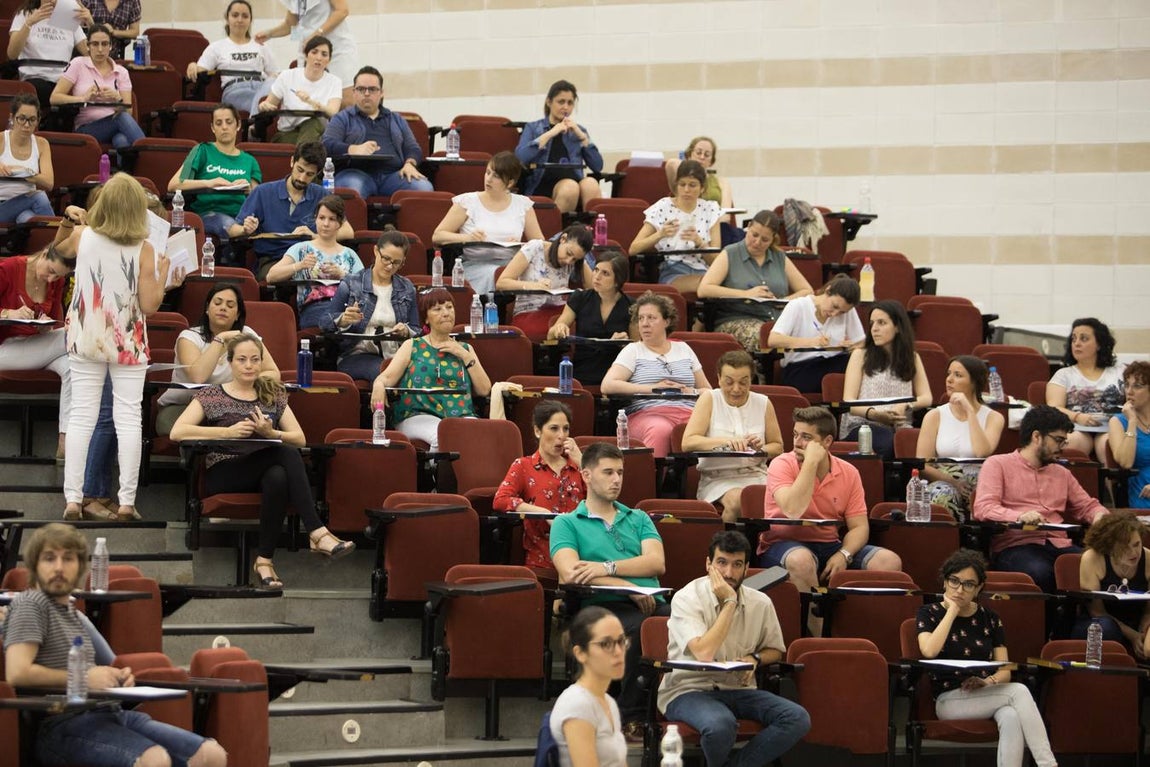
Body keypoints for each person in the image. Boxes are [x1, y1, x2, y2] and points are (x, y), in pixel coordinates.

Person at [3, 523, 229, 767]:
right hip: (62, 723)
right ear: (35, 566)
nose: (59, 567)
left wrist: (117, 676)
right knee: (154, 760)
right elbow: (17, 673)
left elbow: (98, 667)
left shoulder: (71, 612)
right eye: (49, 558)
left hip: (109, 714)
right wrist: (85, 678)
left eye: (68, 559)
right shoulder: (30, 605)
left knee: (211, 754)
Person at [170, 334, 354, 588]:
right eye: (242, 360)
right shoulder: (212, 394)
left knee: (278, 474)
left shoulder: (272, 395)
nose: (249, 365)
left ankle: (264, 560)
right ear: (230, 362)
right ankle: (317, 532)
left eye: (255, 360)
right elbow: (177, 432)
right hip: (225, 471)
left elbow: (299, 437)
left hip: (263, 469)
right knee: (286, 454)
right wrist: (227, 432)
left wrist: (271, 433)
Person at [58, 173, 165, 523]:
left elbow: (58, 252)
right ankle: (126, 502)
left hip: (87, 336)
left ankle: (73, 500)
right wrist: (163, 277)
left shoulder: (82, 235)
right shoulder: (145, 249)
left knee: (81, 416)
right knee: (128, 419)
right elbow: (149, 305)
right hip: (127, 340)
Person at [659, 531, 810, 767]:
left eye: (737, 565)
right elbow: (704, 653)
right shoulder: (686, 598)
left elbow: (775, 650)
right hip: (688, 690)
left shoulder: (760, 602)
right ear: (708, 564)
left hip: (738, 688)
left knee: (797, 718)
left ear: (747, 567)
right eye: (721, 563)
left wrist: (755, 658)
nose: (729, 573)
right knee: (721, 725)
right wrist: (729, 602)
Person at [550, 442, 670, 735]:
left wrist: (606, 568)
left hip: (653, 603)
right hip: (598, 607)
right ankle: (632, 717)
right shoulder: (566, 523)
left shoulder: (638, 517)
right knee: (645, 629)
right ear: (587, 475)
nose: (616, 479)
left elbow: (656, 563)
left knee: (683, 622)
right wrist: (627, 587)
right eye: (608, 472)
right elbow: (570, 572)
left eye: (620, 472)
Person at [758, 406, 902, 634]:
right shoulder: (781, 464)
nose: (797, 442)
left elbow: (859, 527)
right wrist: (811, 464)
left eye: (806, 437)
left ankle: (866, 634)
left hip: (830, 546)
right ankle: (816, 640)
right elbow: (793, 509)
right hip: (781, 544)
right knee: (802, 561)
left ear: (826, 442)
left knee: (888, 561)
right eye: (795, 434)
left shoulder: (849, 472)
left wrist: (844, 555)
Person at [916, 549, 1058, 767]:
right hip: (948, 699)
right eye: (954, 581)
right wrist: (952, 610)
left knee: (1010, 715)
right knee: (1019, 691)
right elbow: (929, 651)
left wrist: (987, 681)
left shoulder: (990, 618)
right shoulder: (929, 613)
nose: (960, 589)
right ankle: (1048, 764)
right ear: (945, 582)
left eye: (969, 584)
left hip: (985, 692)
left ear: (979, 588)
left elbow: (1005, 670)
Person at [972, 405, 1108, 594]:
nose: (1062, 447)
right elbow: (983, 508)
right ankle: (1052, 623)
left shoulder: (1062, 473)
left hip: (1059, 544)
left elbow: (1087, 506)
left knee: (1099, 566)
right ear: (1037, 437)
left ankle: (1092, 621)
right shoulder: (997, 464)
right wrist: (1019, 516)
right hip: (1017, 545)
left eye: (1064, 441)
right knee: (1041, 572)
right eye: (1058, 440)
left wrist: (1100, 516)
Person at [368, 287, 492, 451]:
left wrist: (465, 356)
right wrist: (378, 386)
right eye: (437, 309)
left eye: (449, 307)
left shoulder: (465, 349)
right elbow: (386, 378)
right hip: (417, 415)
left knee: (483, 436)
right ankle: (438, 476)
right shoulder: (412, 345)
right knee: (442, 436)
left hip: (460, 415)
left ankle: (474, 477)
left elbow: (484, 389)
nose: (446, 313)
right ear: (426, 319)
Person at [155, 282, 280, 435]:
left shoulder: (247, 335)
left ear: (238, 314)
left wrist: (241, 388)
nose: (223, 308)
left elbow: (273, 373)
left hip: (231, 405)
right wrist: (220, 338)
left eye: (230, 305)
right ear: (207, 308)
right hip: (185, 405)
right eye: (218, 303)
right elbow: (198, 377)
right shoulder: (189, 337)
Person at [599, 291, 709, 458]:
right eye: (641, 318)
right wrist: (653, 388)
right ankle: (653, 481)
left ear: (667, 321)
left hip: (689, 412)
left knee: (710, 427)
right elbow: (608, 385)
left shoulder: (684, 349)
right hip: (648, 413)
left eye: (651, 318)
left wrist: (690, 391)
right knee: (660, 429)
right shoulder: (633, 350)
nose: (644, 324)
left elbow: (708, 391)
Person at [682, 351, 784, 522]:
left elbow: (778, 447)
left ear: (751, 379)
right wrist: (726, 442)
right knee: (739, 500)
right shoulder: (709, 399)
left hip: (757, 475)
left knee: (784, 499)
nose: (736, 389)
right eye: (729, 382)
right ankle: (729, 546)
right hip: (718, 478)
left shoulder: (763, 402)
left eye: (743, 382)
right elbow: (688, 442)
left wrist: (760, 448)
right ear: (719, 379)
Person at [228, 141, 354, 280]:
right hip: (274, 260)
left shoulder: (322, 195)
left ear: (317, 173)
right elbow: (233, 230)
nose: (302, 178)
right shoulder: (263, 192)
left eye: (309, 174)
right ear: (292, 161)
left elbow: (348, 231)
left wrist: (315, 236)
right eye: (300, 170)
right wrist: (245, 230)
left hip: (312, 260)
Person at [696, 209, 813, 352]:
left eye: (765, 240)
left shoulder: (779, 257)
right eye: (754, 235)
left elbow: (807, 291)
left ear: (773, 239)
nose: (757, 242)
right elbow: (704, 289)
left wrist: (784, 301)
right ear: (749, 227)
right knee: (767, 338)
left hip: (776, 321)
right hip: (737, 320)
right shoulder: (730, 253)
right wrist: (746, 294)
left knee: (809, 337)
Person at [492, 400, 586, 577]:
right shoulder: (524, 465)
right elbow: (500, 500)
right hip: (543, 559)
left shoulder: (579, 466)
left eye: (566, 429)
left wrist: (582, 462)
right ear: (537, 431)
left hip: (584, 556)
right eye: (554, 428)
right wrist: (542, 512)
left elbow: (603, 498)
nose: (561, 436)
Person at [0, 238, 75, 458]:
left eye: (57, 276)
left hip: (34, 347)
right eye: (51, 271)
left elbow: (54, 321)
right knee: (74, 335)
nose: (51, 279)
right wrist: (7, 313)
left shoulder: (56, 282)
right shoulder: (9, 268)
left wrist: (45, 327)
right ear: (44, 255)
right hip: (5, 346)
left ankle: (65, 441)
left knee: (73, 365)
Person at [432, 150, 542, 297]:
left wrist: (522, 246)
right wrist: (467, 238)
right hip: (476, 265)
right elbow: (437, 236)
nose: (488, 179)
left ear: (510, 182)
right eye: (487, 172)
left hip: (512, 266)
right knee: (496, 274)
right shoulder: (467, 202)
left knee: (532, 276)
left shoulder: (523, 205)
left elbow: (540, 244)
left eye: (495, 176)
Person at [319, 230, 420, 383]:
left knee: (417, 372)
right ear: (375, 251)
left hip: (396, 355)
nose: (389, 266)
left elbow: (416, 329)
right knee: (385, 371)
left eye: (396, 263)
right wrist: (343, 319)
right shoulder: (352, 283)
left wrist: (406, 331)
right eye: (386, 259)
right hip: (356, 355)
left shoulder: (407, 288)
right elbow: (324, 322)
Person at [839, 300, 933, 459]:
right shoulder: (860, 355)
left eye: (881, 323)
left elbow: (926, 398)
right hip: (863, 425)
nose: (874, 328)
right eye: (872, 323)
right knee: (888, 443)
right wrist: (876, 415)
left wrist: (906, 404)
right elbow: (849, 402)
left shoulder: (912, 357)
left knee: (921, 445)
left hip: (900, 426)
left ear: (897, 327)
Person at [321, 65, 432, 200]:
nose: (367, 93)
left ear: (381, 92)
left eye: (372, 89)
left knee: (423, 188)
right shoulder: (342, 118)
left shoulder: (397, 119)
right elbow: (326, 144)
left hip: (394, 176)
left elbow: (412, 147)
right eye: (361, 89)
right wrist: (353, 149)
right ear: (354, 92)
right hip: (354, 173)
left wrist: (410, 164)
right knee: (351, 188)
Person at [168, 103, 261, 260]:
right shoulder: (202, 150)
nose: (224, 127)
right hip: (208, 213)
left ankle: (243, 229)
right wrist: (210, 183)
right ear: (212, 128)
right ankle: (242, 231)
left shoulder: (249, 160)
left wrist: (246, 188)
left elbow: (256, 196)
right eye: (219, 123)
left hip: (240, 214)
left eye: (229, 122)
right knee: (221, 220)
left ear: (238, 125)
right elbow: (174, 184)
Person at [916, 356, 1004, 521]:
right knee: (942, 494)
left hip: (981, 480)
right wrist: (953, 482)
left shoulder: (994, 418)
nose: (949, 379)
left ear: (975, 382)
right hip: (944, 479)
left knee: (987, 496)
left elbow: (981, 452)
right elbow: (922, 464)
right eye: (949, 374)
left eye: (958, 375)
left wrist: (970, 411)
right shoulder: (934, 415)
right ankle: (950, 542)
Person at [265, 193, 363, 328]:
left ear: (340, 223)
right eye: (322, 218)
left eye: (332, 219)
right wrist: (299, 265)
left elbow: (366, 287)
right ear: (315, 219)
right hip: (315, 307)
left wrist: (343, 275)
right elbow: (271, 276)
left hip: (345, 307)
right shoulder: (300, 249)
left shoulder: (350, 254)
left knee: (356, 320)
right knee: (335, 322)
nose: (326, 224)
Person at [548, 606, 628, 767]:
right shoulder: (578, 703)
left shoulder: (609, 702)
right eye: (606, 644)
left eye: (621, 641)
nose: (618, 651)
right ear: (580, 653)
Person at [629, 160, 722, 294]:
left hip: (704, 270)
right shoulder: (663, 207)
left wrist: (699, 243)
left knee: (713, 281)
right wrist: (660, 234)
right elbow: (633, 249)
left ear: (702, 188)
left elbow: (716, 261)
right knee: (712, 285)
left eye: (692, 185)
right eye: (682, 184)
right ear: (676, 185)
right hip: (674, 271)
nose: (686, 190)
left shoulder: (710, 209)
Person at [546, 250, 633, 387]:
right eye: (596, 270)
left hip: (616, 372)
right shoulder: (580, 298)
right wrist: (559, 328)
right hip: (582, 369)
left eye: (605, 273)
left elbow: (639, 347)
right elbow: (551, 335)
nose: (597, 277)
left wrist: (625, 343)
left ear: (618, 280)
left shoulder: (632, 306)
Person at [50, 24, 145, 149]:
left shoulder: (121, 72)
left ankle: (124, 168)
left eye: (105, 44)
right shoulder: (78, 64)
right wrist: (83, 98)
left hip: (115, 126)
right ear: (88, 46)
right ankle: (149, 153)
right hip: (87, 128)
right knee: (121, 118)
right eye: (95, 44)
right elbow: (54, 98)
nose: (100, 49)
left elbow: (129, 112)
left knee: (122, 141)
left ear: (111, 46)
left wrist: (118, 99)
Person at [515, 79, 603, 214]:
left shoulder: (579, 131)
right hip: (542, 183)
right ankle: (556, 233)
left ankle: (590, 231)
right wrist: (551, 133)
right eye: (561, 102)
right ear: (549, 102)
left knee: (591, 183)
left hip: (573, 183)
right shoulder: (533, 128)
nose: (566, 107)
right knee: (570, 187)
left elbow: (597, 166)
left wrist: (583, 138)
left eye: (570, 103)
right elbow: (520, 157)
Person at [767, 274, 865, 394]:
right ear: (828, 291)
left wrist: (850, 346)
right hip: (800, 368)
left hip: (831, 362)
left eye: (841, 313)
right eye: (834, 307)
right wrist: (812, 342)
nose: (835, 314)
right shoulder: (798, 305)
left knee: (863, 360)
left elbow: (861, 342)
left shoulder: (847, 310)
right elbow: (773, 339)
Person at [496, 225, 594, 341]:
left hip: (560, 313)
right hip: (530, 312)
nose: (568, 261)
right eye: (568, 253)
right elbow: (501, 283)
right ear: (563, 239)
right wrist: (533, 286)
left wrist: (581, 261)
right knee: (561, 327)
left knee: (585, 319)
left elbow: (593, 289)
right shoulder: (535, 247)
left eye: (574, 259)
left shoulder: (573, 262)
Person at [1047, 317, 1126, 460]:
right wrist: (1077, 417)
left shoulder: (1120, 372)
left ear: (1099, 344)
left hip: (1115, 427)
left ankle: (1111, 482)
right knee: (1074, 441)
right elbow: (1054, 407)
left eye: (1084, 339)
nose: (1076, 343)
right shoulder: (1063, 374)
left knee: (1106, 443)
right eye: (1074, 339)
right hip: (1077, 427)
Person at [1073, 510, 1150, 656]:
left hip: (1136, 620)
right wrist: (1132, 635)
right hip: (1097, 623)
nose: (1133, 552)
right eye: (1125, 547)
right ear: (1109, 547)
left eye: (1136, 544)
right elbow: (1097, 611)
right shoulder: (1092, 559)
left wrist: (1145, 627)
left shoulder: (1149, 559)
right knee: (1106, 628)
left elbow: (1149, 609)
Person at [256, 0, 357, 107]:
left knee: (346, 100)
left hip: (337, 48)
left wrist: (317, 33)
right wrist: (269, 34)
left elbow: (342, 11)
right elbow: (291, 25)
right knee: (308, 99)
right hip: (309, 50)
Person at [186, 0, 278, 116]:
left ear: (250, 20)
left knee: (274, 82)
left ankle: (254, 123)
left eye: (245, 16)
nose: (240, 20)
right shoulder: (216, 47)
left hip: (261, 86)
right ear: (227, 19)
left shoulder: (261, 46)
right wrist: (193, 65)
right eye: (235, 15)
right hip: (235, 91)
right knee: (265, 103)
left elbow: (274, 75)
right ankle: (257, 118)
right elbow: (200, 72)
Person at [256, 35, 342, 146]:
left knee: (313, 123)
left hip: (318, 135)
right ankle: (305, 158)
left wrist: (311, 102)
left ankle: (301, 159)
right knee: (311, 139)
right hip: (287, 134)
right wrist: (263, 106)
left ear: (329, 60)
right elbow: (268, 104)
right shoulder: (287, 76)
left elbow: (332, 112)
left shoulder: (334, 81)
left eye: (324, 54)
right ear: (306, 56)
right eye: (314, 52)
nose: (319, 57)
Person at [7, 0, 89, 111]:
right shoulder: (25, 14)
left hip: (63, 81)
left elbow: (91, 54)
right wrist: (29, 23)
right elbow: (12, 54)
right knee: (45, 91)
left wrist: (90, 23)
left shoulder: (67, 16)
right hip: (34, 77)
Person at [1110, 360, 1150, 507]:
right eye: (1127, 385)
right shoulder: (1118, 421)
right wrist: (1132, 422)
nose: (1129, 391)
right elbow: (1125, 462)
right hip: (1143, 498)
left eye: (1137, 386)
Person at [664, 136, 733, 209]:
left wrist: (722, 220)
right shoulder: (682, 179)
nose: (702, 157)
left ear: (711, 161)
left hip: (715, 219)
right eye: (698, 153)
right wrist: (690, 167)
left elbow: (726, 211)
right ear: (689, 155)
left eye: (707, 155)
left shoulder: (722, 182)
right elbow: (672, 163)